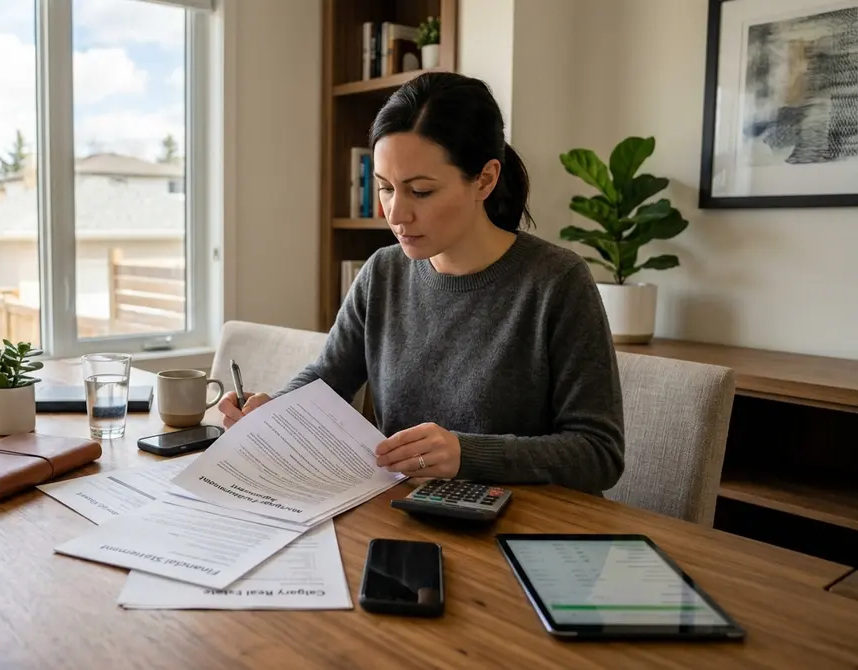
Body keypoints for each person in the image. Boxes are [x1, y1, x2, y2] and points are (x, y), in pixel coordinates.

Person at [217, 72, 625, 496]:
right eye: (386, 188)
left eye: (421, 191)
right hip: (405, 515)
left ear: (485, 179)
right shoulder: (382, 272)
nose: (396, 214)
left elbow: (600, 453)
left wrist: (467, 454)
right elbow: (327, 378)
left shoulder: (557, 282)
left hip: (521, 530)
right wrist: (271, 413)